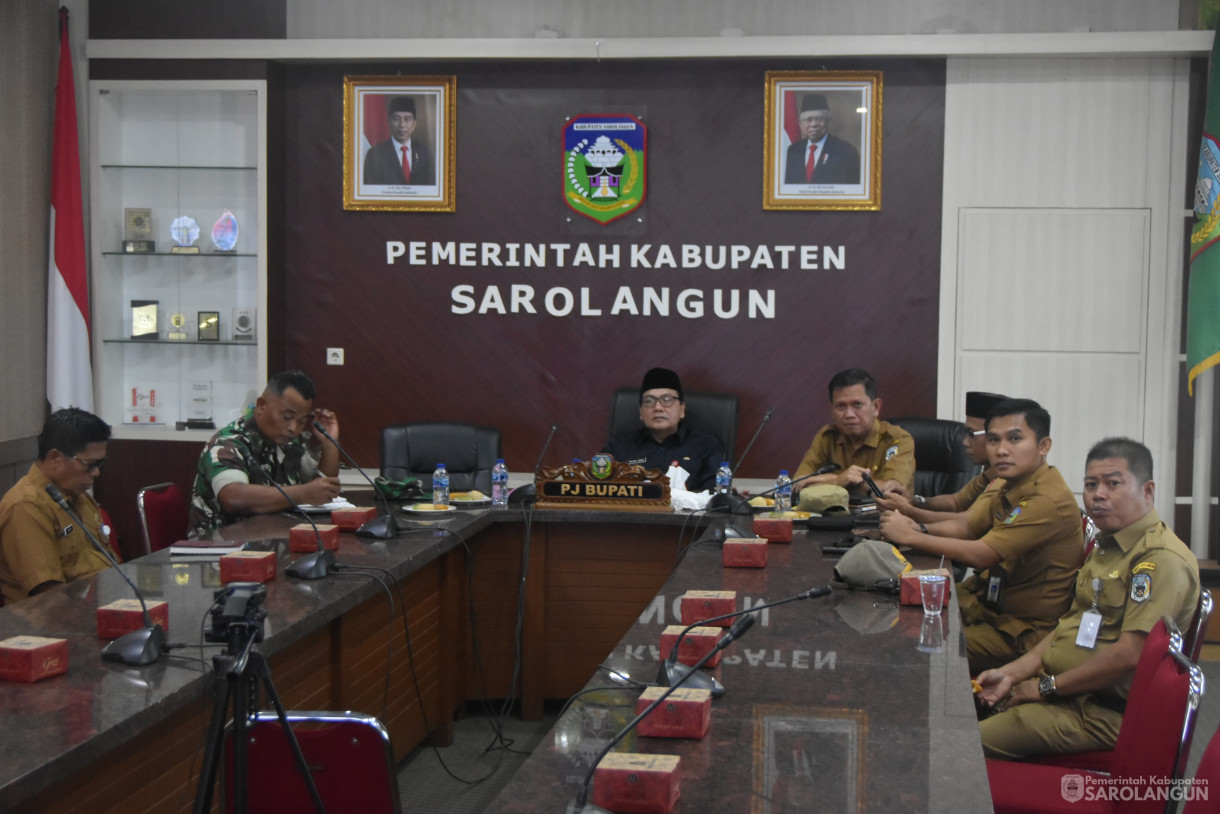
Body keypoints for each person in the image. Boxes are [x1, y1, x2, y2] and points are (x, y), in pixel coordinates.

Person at [976, 438, 1199, 759]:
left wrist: (1045, 687)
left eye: (1113, 483)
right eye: (1091, 484)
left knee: (958, 744)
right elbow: (1069, 627)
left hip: (1098, 712)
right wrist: (1013, 673)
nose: (1098, 494)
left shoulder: (1159, 560)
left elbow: (1131, 653)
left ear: (1147, 491)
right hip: (1066, 694)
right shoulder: (1109, 546)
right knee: (951, 715)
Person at [879, 398, 1084, 673]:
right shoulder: (1010, 482)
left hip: (1019, 634)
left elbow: (982, 554)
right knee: (899, 608)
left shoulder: (1047, 499)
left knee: (913, 641)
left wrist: (913, 536)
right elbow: (967, 527)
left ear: (1043, 446)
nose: (1001, 450)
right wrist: (915, 527)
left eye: (1014, 439)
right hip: (988, 606)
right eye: (993, 440)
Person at [189, 370, 342, 537]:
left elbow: (320, 490)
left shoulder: (288, 443)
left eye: (302, 422)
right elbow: (233, 498)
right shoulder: (229, 443)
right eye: (287, 416)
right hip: (219, 550)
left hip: (270, 543)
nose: (293, 428)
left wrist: (330, 442)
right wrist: (303, 493)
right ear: (262, 405)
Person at [0, 408, 118, 604]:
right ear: (55, 457)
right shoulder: (26, 506)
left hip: (100, 605)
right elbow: (49, 597)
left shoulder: (78, 497)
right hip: (51, 625)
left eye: (101, 463)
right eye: (90, 464)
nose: (96, 473)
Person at [875, 390, 1009, 523]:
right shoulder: (990, 471)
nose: (965, 442)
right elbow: (955, 502)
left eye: (971, 433)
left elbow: (969, 522)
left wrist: (909, 512)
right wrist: (914, 500)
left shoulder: (1006, 477)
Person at [793, 368, 915, 497]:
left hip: (882, 516)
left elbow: (893, 490)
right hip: (832, 515)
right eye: (840, 406)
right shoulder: (827, 437)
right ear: (832, 409)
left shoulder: (897, 439)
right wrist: (838, 481)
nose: (849, 414)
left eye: (857, 404)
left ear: (876, 407)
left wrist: (830, 481)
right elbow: (799, 485)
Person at [602, 367, 725, 492]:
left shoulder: (706, 446)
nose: (658, 407)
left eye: (667, 400)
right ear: (640, 412)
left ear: (682, 409)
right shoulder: (619, 446)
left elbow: (715, 493)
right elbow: (600, 486)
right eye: (649, 401)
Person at [783, 93, 861, 186]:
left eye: (819, 119)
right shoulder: (793, 150)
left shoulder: (846, 152)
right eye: (808, 119)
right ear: (800, 123)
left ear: (828, 121)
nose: (813, 124)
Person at [362, 96, 434, 186]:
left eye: (407, 119)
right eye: (396, 119)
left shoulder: (425, 153)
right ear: (389, 122)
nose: (402, 125)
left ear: (414, 125)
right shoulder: (374, 155)